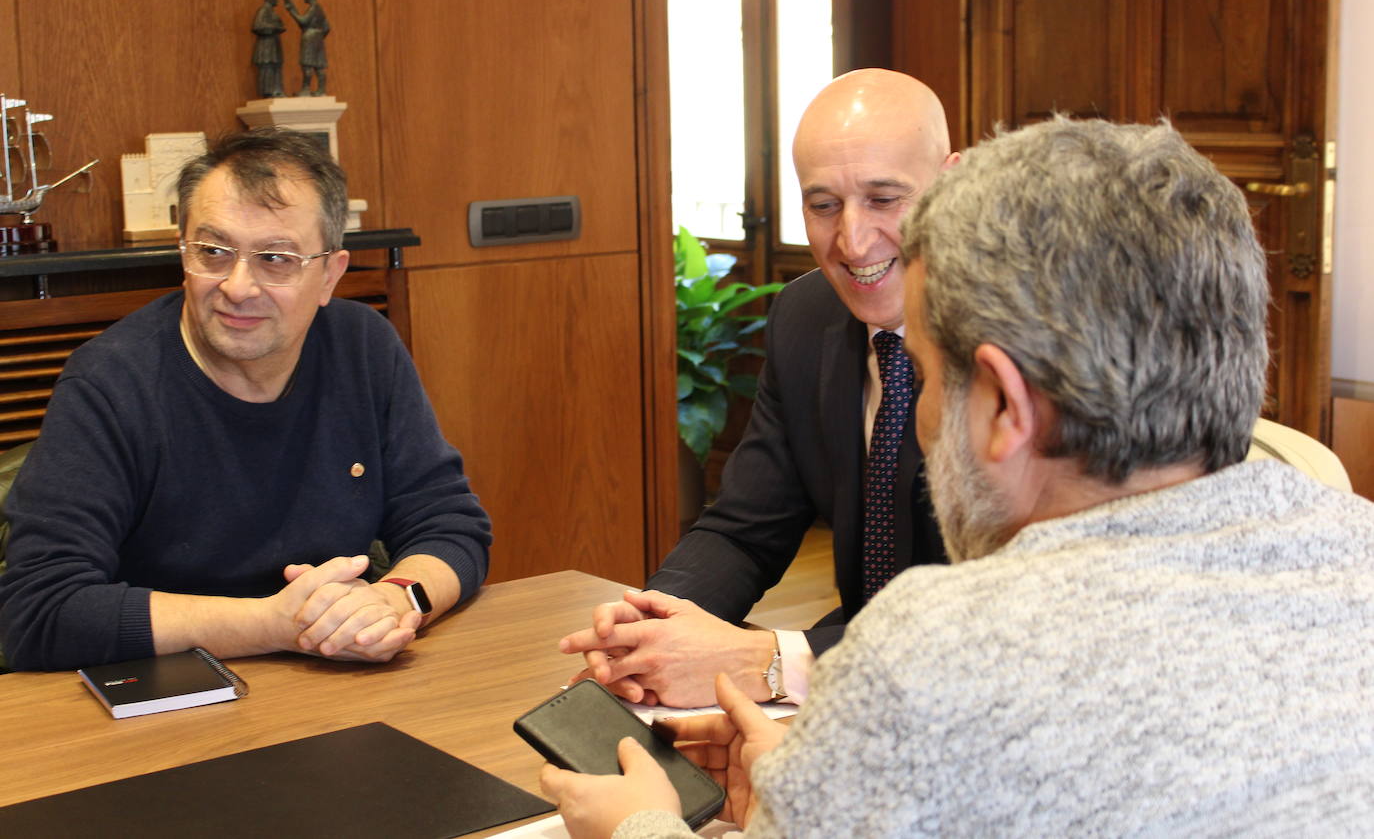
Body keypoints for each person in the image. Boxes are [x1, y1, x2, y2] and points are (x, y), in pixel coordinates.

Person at [541, 117, 1374, 836]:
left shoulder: (936, 660)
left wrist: (640, 827)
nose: (923, 414)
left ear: (1006, 407)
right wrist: (821, 786)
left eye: (932, 379)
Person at [0, 128, 491, 671]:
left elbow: (449, 524)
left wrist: (395, 599)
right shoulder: (111, 382)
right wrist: (272, 624)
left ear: (330, 275)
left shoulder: (364, 348)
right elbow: (39, 609)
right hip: (166, 698)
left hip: (337, 677)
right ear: (181, 250)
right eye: (212, 251)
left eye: (275, 259)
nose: (237, 286)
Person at [560, 69, 958, 708]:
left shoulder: (1018, 340)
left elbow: (996, 608)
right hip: (845, 698)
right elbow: (746, 527)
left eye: (884, 199)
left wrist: (770, 659)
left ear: (952, 184)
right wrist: (653, 628)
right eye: (824, 205)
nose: (852, 241)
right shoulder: (807, 318)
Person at [282, 0, 330, 96]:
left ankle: (306, 89)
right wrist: (319, 36)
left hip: (310, 37)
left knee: (307, 64)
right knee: (319, 65)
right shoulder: (319, 9)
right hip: (318, 38)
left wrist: (292, 11)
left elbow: (303, 21)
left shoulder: (313, 8)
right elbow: (327, 27)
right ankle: (321, 90)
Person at [251, 0, 286, 98]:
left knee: (275, 65)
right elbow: (257, 26)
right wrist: (273, 27)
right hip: (266, 43)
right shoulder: (263, 10)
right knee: (267, 67)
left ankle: (277, 90)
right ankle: (268, 91)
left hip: (273, 43)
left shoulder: (272, 11)